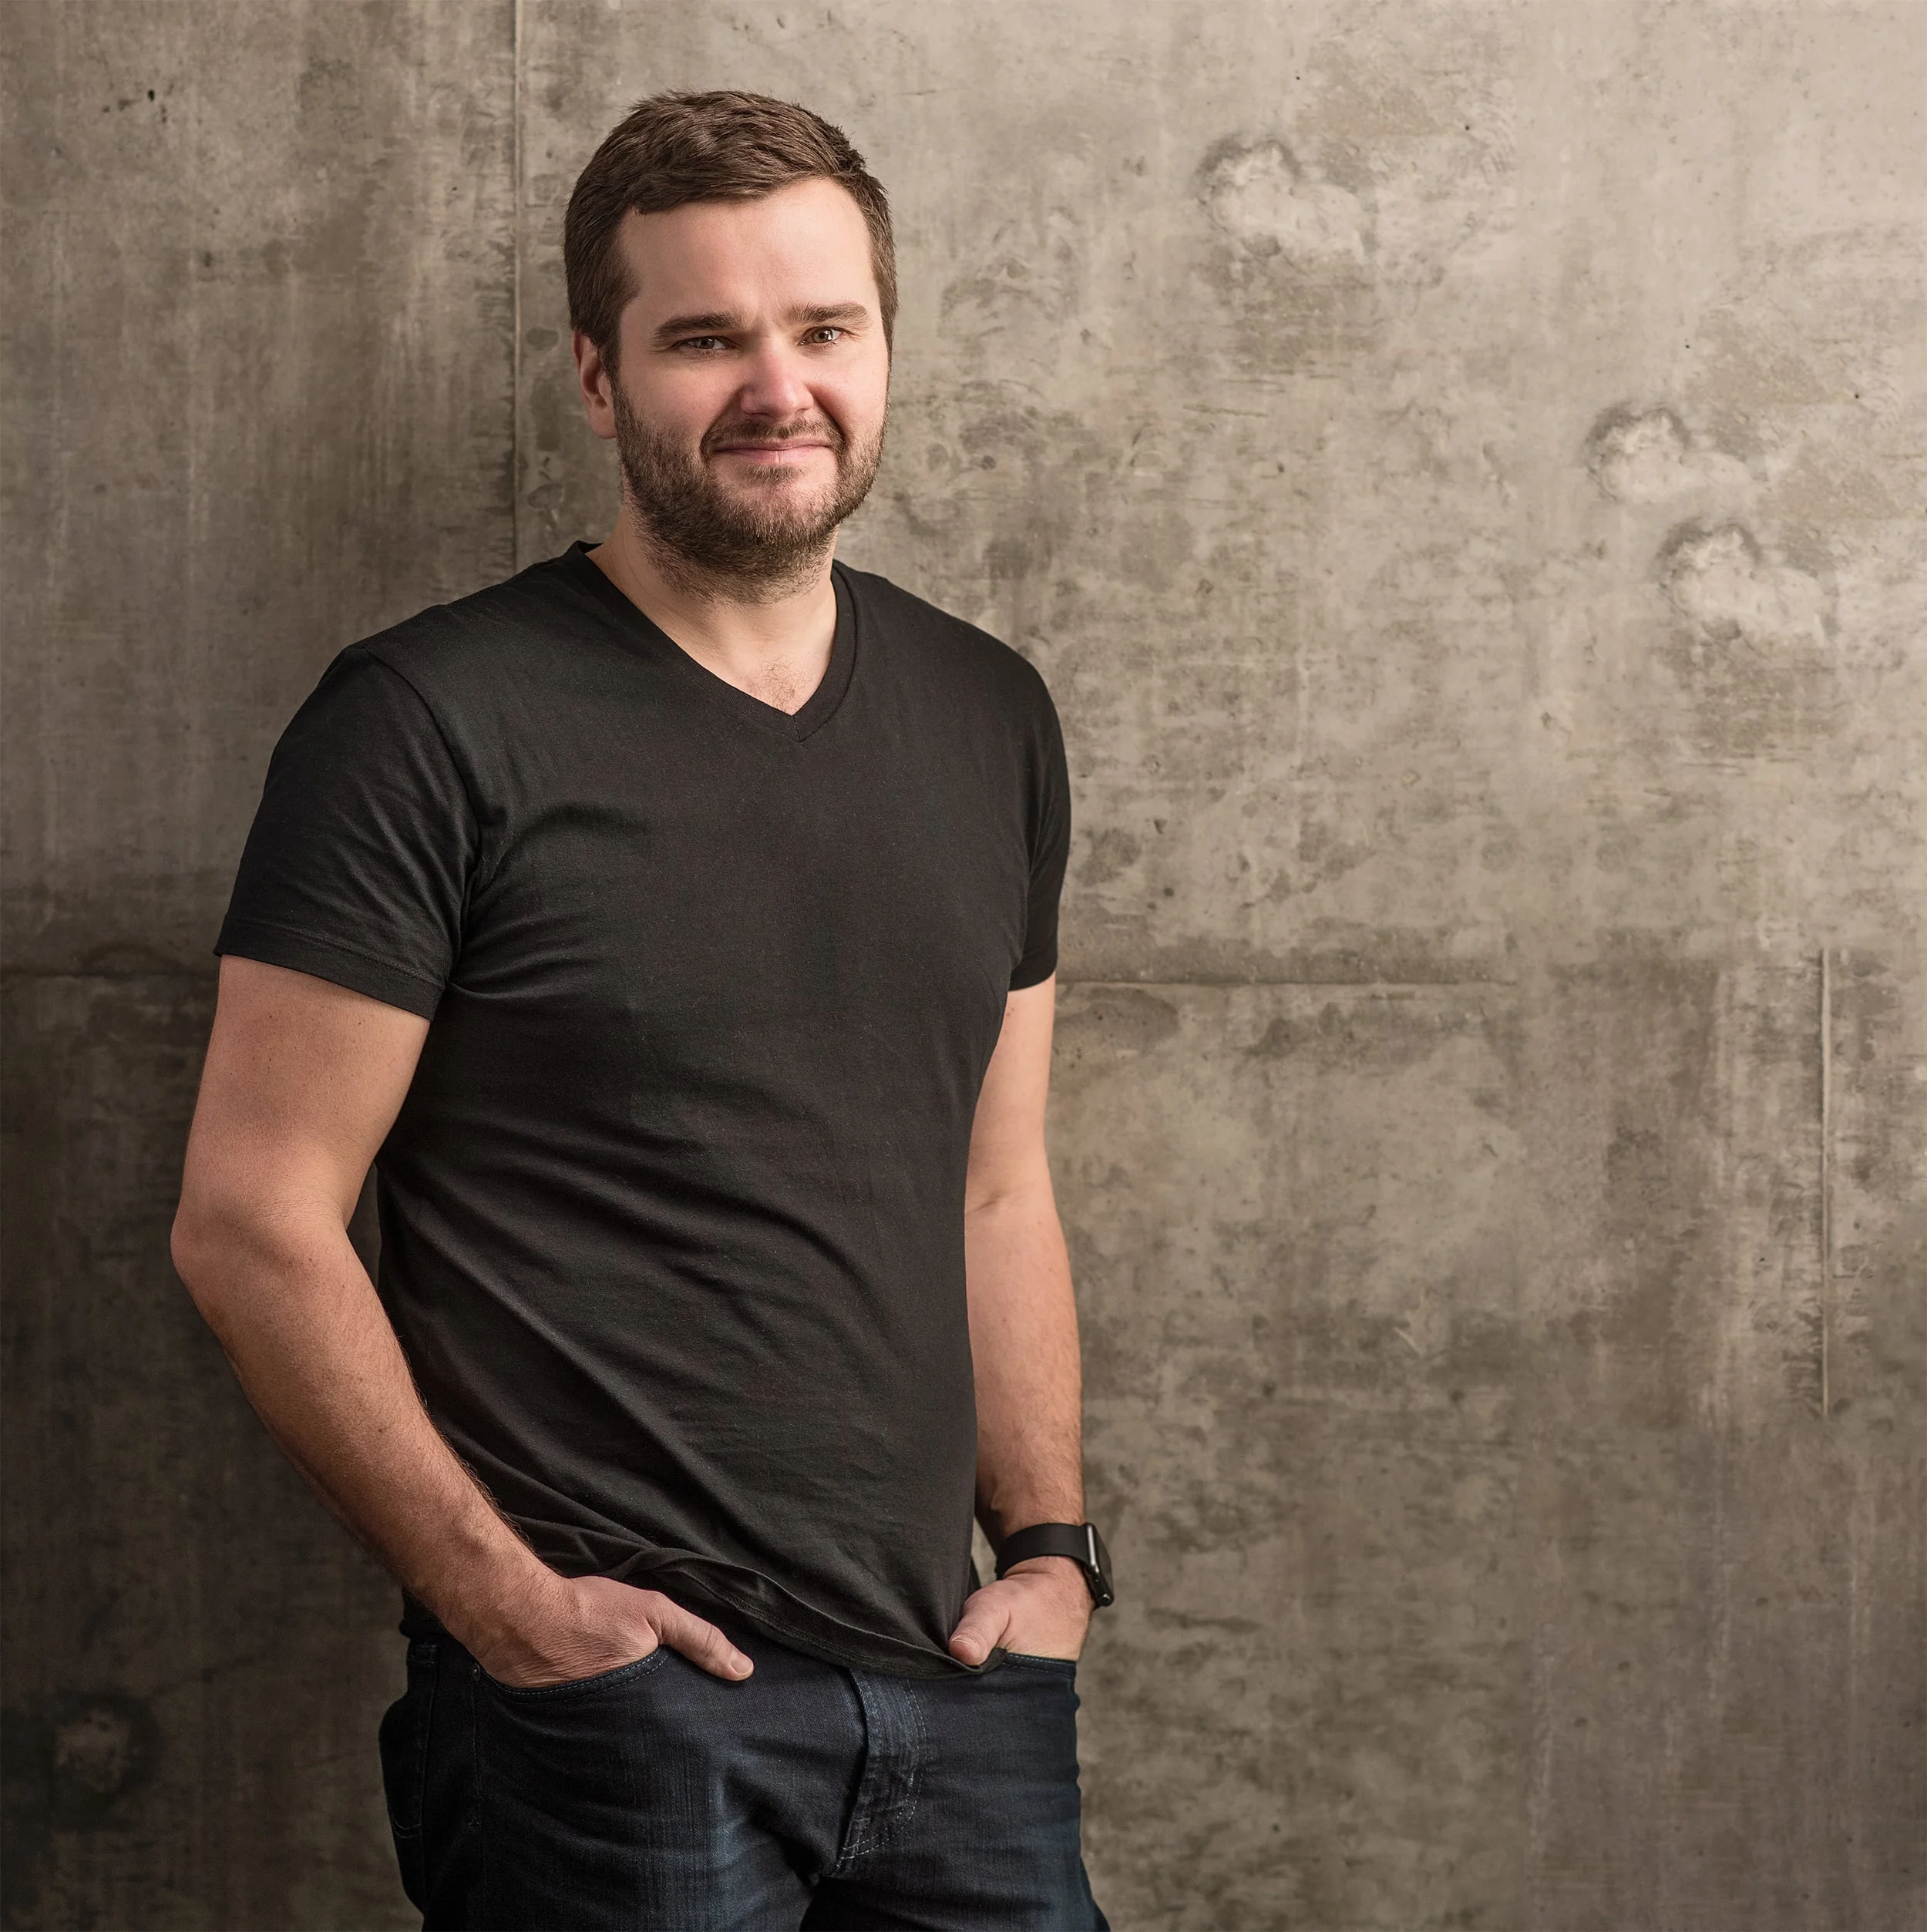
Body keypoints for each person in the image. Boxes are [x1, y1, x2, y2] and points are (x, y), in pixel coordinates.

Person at [170, 89, 1113, 1930]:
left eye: (823, 328)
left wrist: (1055, 1551)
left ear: (883, 347)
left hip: (960, 1682)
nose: (779, 387)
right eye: (705, 339)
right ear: (598, 378)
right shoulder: (426, 722)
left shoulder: (987, 713)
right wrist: (510, 1610)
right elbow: (250, 1220)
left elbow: (995, 1186)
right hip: (615, 1714)